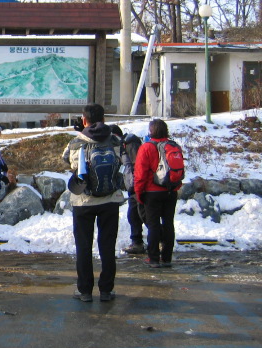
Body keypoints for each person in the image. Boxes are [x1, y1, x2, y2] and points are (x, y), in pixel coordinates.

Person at [63, 104, 123, 302]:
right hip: (110, 200)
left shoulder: (76, 142)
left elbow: (67, 160)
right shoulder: (115, 139)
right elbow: (121, 160)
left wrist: (82, 134)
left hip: (84, 201)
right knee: (107, 245)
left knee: (84, 245)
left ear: (84, 119)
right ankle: (106, 290)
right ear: (103, 118)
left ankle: (85, 291)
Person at [133, 119, 180, 269]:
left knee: (153, 225)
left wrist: (138, 193)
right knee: (168, 224)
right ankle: (167, 258)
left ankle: (153, 258)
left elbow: (140, 174)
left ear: (151, 131)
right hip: (170, 191)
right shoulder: (173, 146)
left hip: (151, 192)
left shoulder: (146, 147)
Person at [109, 125, 146, 255]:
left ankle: (158, 240)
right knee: (134, 215)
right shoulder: (120, 146)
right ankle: (138, 242)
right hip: (132, 185)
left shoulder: (130, 143)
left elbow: (138, 164)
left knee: (142, 215)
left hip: (139, 184)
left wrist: (138, 183)